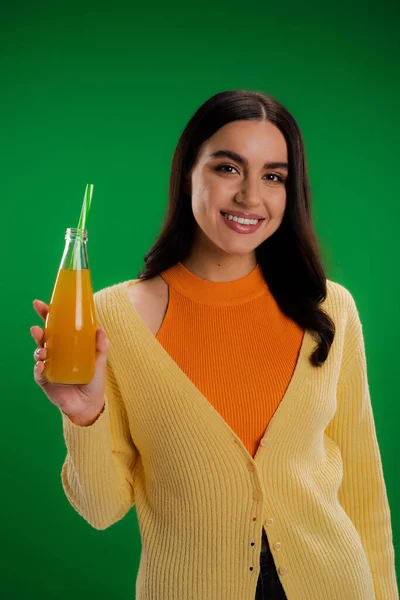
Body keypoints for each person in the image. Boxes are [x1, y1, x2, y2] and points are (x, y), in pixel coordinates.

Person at [30, 89, 398, 600]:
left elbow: (364, 493)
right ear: (187, 175)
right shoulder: (108, 318)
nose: (251, 197)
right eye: (228, 168)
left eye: (273, 176)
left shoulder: (331, 309)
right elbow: (101, 509)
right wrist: (83, 412)